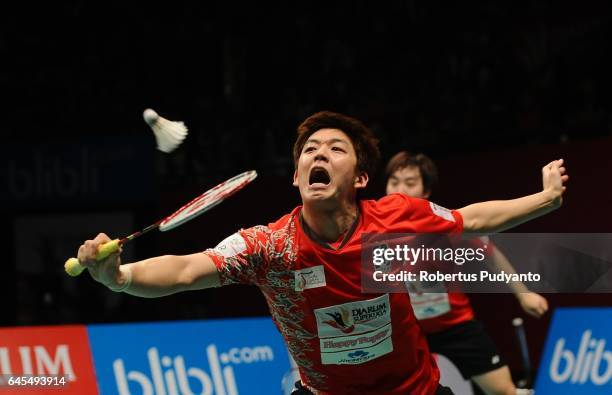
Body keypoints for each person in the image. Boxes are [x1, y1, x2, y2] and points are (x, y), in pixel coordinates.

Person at [77, 111, 568, 395]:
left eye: (335, 148)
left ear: (359, 178)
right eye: (309, 149)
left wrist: (544, 200)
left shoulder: (395, 216)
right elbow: (186, 270)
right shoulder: (269, 246)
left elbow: (473, 219)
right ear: (295, 177)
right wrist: (119, 276)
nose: (318, 154)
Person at [385, 151, 550, 395]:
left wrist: (523, 293)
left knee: (504, 391)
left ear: (425, 191)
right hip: (406, 330)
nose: (400, 189)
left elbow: (491, 254)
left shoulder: (442, 222)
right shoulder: (374, 228)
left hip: (455, 324)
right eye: (394, 182)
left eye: (410, 183)